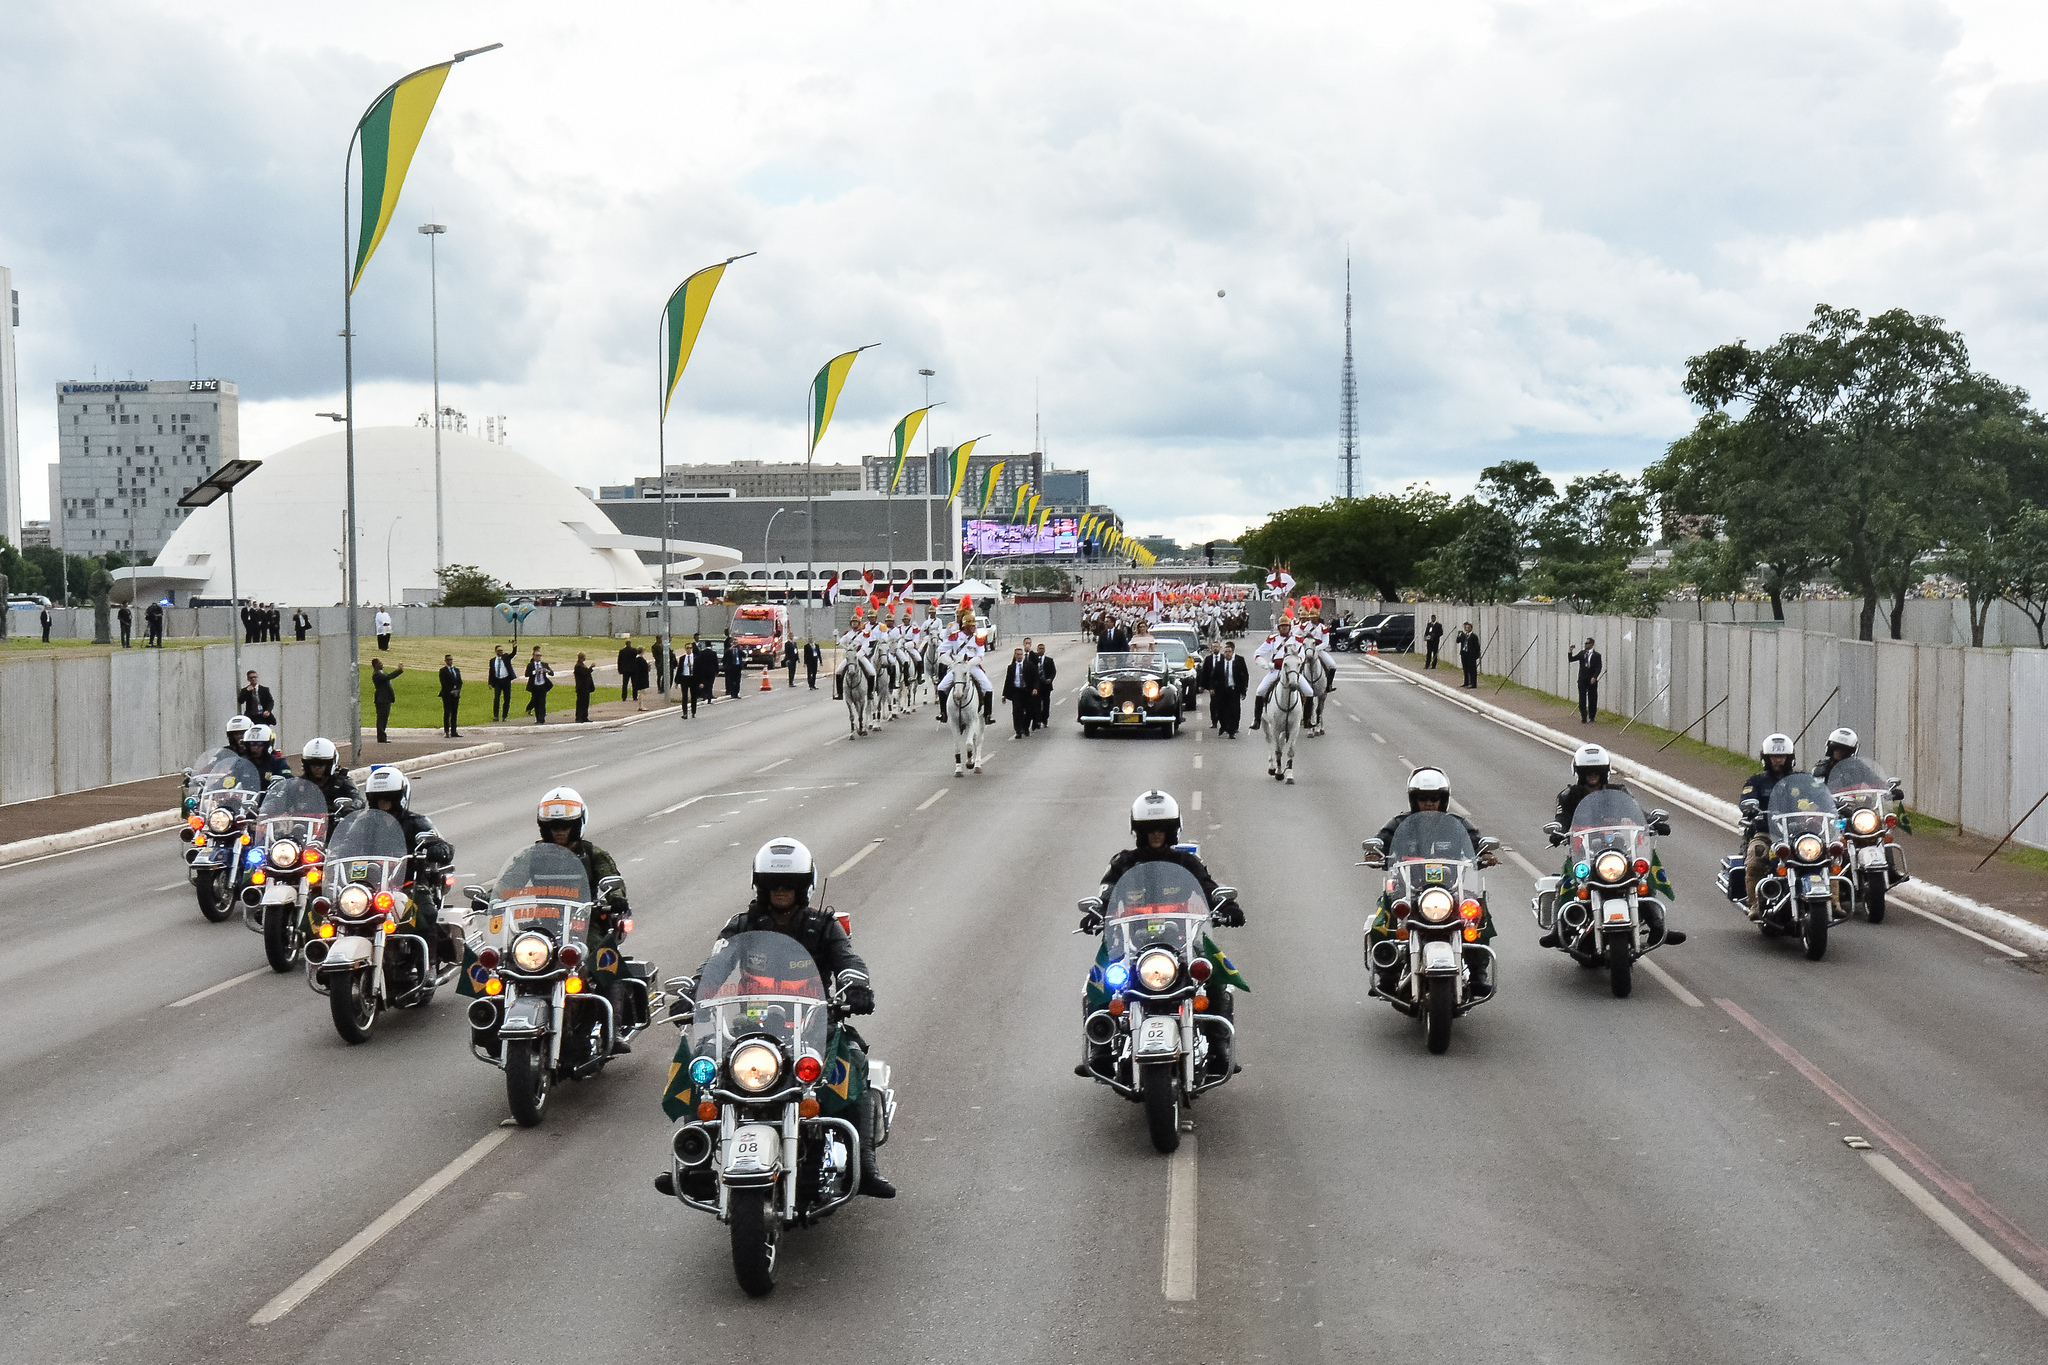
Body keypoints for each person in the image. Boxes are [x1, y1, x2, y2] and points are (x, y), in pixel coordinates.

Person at [658, 837, 896, 1200]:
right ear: (760, 886)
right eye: (772, 883)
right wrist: (694, 990)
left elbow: (848, 959)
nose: (781, 890)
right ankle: (696, 1167)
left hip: (813, 1026)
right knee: (704, 1064)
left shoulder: (824, 926)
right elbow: (715, 964)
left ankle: (865, 1165)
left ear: (804, 887)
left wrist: (856, 985)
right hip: (750, 1028)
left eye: (790, 883)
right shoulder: (742, 925)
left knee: (852, 1062)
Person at [1077, 791, 1245, 1075]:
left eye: (1162, 829)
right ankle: (1100, 1049)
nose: (1156, 835)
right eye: (1150, 830)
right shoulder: (1124, 863)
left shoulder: (1186, 863)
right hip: (1131, 942)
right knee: (1101, 977)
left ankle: (1219, 1046)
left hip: (1181, 941)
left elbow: (1208, 887)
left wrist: (1227, 905)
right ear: (1139, 833)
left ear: (1172, 831)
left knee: (1213, 971)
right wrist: (1096, 912)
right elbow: (1107, 892)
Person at [1366, 767, 1497, 994]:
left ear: (1443, 799)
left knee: (1476, 913)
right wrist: (1374, 853)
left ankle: (1478, 974)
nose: (1428, 803)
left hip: (1451, 888)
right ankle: (1387, 974)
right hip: (1408, 888)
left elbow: (1475, 841)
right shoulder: (1400, 823)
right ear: (1413, 799)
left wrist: (1485, 853)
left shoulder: (1457, 824)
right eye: (1423, 798)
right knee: (1385, 914)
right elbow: (1382, 840)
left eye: (1434, 798)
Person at [532, 786, 635, 1046]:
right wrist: (490, 897)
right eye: (553, 825)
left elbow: (612, 879)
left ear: (578, 824)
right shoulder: (533, 855)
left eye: (566, 824)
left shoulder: (592, 854)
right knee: (509, 962)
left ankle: (613, 1030)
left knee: (608, 962)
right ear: (544, 827)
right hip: (543, 923)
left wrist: (615, 896)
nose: (560, 830)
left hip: (584, 923)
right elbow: (510, 880)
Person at [361, 768, 455, 962]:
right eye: (378, 799)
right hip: (371, 884)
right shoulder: (363, 824)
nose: (383, 803)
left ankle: (428, 964)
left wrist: (438, 849)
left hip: (409, 883)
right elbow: (347, 843)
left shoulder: (416, 822)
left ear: (400, 798)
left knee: (425, 913)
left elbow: (441, 844)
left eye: (389, 798)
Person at [1739, 733, 1800, 918]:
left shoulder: (1801, 780)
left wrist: (1825, 804)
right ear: (1766, 758)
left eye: (1781, 756)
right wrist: (1750, 807)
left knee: (1827, 856)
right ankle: (1755, 905)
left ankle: (1834, 901)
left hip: (1798, 835)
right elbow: (1747, 798)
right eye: (1774, 756)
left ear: (1789, 758)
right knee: (1754, 860)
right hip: (1766, 834)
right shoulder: (1756, 782)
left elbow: (1818, 796)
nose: (1778, 760)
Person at [1249, 615, 1313, 732]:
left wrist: (1297, 663)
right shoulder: (1272, 639)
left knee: (1309, 691)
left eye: (1286, 626)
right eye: (1282, 626)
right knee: (1260, 690)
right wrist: (1267, 665)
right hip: (1277, 670)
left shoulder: (1297, 639)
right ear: (1278, 628)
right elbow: (1258, 654)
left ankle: (1307, 719)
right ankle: (1256, 719)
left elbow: (1301, 654)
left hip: (1292, 671)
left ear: (1290, 627)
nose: (1284, 628)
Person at [1553, 742, 1621, 831]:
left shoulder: (1618, 792)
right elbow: (1562, 818)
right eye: (1588, 772)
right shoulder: (1568, 795)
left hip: (1613, 837)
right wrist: (1559, 830)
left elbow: (1634, 812)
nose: (1593, 775)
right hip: (1580, 838)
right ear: (1580, 773)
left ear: (1604, 772)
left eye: (1597, 771)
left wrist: (1637, 820)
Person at [298, 737, 361, 813]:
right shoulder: (298, 784)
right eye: (312, 763)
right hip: (302, 820)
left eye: (321, 763)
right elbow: (285, 800)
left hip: (335, 820)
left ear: (330, 764)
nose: (317, 768)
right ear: (306, 765)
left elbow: (358, 800)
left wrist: (351, 807)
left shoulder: (342, 783)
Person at [1214, 641, 1248, 738]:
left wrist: (1244, 689)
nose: (1227, 653)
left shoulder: (1237, 663)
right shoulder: (1219, 664)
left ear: (1232, 652)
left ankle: (1232, 731)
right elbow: (1214, 677)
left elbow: (1243, 676)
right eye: (1226, 652)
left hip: (1234, 690)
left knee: (1234, 710)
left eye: (1229, 652)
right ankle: (1223, 726)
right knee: (1221, 710)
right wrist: (1212, 688)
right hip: (1222, 690)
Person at [1002, 647, 1037, 738]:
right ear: (1015, 655)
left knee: (1029, 711)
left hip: (1027, 691)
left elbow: (1035, 678)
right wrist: (1004, 694)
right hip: (1016, 691)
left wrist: (1035, 688)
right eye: (1017, 655)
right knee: (1017, 711)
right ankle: (1018, 730)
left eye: (1021, 654)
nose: (1019, 656)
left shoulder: (1029, 666)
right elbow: (1008, 681)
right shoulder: (1011, 667)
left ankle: (1025, 727)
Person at [1569, 636, 1603, 723]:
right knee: (1582, 698)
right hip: (1582, 679)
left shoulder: (1597, 655)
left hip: (1591, 680)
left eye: (1587, 643)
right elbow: (1571, 659)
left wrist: (1595, 677)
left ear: (1592, 644)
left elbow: (1599, 667)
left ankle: (1592, 716)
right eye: (1585, 643)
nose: (1586, 645)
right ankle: (1583, 716)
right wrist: (1570, 651)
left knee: (1592, 699)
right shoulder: (1582, 653)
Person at [371, 659, 404, 743]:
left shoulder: (381, 673)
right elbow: (388, 677)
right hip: (382, 699)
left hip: (386, 698)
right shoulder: (377, 675)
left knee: (384, 718)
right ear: (375, 665)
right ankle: (381, 737)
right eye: (379, 663)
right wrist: (398, 671)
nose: (381, 664)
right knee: (381, 718)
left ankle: (382, 737)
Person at [438, 654, 463, 738]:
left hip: (456, 694)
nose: (450, 661)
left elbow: (460, 681)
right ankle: (446, 731)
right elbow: (443, 683)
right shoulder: (443, 671)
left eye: (451, 660)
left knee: (454, 713)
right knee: (447, 712)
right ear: (445, 661)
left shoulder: (456, 670)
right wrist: (451, 691)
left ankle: (454, 731)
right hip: (447, 694)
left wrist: (457, 690)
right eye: (448, 660)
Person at [1033, 642, 1057, 729]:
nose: (1041, 650)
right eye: (1039, 649)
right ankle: (1038, 720)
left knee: (1046, 703)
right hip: (1037, 685)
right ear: (1037, 650)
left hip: (1046, 685)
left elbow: (1053, 671)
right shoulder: (1034, 661)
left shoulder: (1049, 660)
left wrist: (1050, 679)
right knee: (1037, 703)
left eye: (1042, 649)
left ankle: (1045, 718)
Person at [526, 646, 553, 724]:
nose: (539, 657)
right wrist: (535, 672)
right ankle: (538, 719)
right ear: (534, 656)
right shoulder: (531, 665)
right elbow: (527, 674)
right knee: (536, 702)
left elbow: (552, 673)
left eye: (540, 656)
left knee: (542, 702)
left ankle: (542, 719)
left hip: (542, 685)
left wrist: (547, 671)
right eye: (537, 656)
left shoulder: (544, 664)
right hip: (535, 686)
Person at [488, 646, 515, 722]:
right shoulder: (492, 661)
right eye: (499, 650)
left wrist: (514, 647)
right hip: (497, 681)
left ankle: (504, 716)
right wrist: (490, 682)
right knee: (496, 698)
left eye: (501, 650)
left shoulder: (506, 658)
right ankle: (496, 716)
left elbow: (513, 654)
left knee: (507, 698)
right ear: (496, 651)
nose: (500, 652)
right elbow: (491, 672)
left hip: (506, 680)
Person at [1455, 621, 1481, 688]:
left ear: (1471, 628)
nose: (1467, 629)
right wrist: (1458, 635)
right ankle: (1466, 682)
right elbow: (1458, 641)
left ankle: (1473, 683)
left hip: (1471, 655)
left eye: (1468, 627)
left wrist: (1476, 655)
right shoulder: (1464, 635)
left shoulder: (1474, 636)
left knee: (1472, 669)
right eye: (1466, 627)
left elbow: (1477, 647)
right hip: (1464, 654)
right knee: (1465, 669)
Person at [618, 639, 642, 706]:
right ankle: (634, 696)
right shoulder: (634, 651)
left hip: (625, 670)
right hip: (633, 669)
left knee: (625, 684)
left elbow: (619, 661)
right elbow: (637, 658)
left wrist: (620, 669)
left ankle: (624, 697)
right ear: (630, 644)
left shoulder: (622, 651)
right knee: (634, 683)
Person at [574, 652, 596, 723]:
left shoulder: (582, 665)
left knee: (586, 703)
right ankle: (579, 717)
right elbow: (585, 673)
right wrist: (591, 668)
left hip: (586, 688)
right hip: (581, 688)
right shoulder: (578, 666)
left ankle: (584, 717)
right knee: (581, 703)